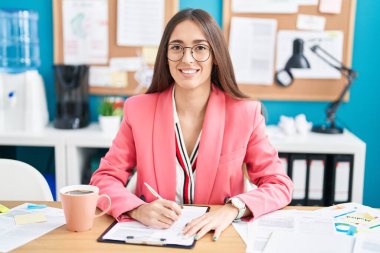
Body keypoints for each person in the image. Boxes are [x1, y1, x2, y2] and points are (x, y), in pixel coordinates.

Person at [90, 8, 293, 241]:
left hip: (217, 239)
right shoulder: (138, 110)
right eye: (176, 47)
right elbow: (103, 178)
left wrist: (233, 208)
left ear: (215, 56)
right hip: (155, 238)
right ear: (166, 55)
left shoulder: (245, 113)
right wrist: (137, 208)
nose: (187, 59)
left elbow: (279, 184)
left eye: (200, 48)